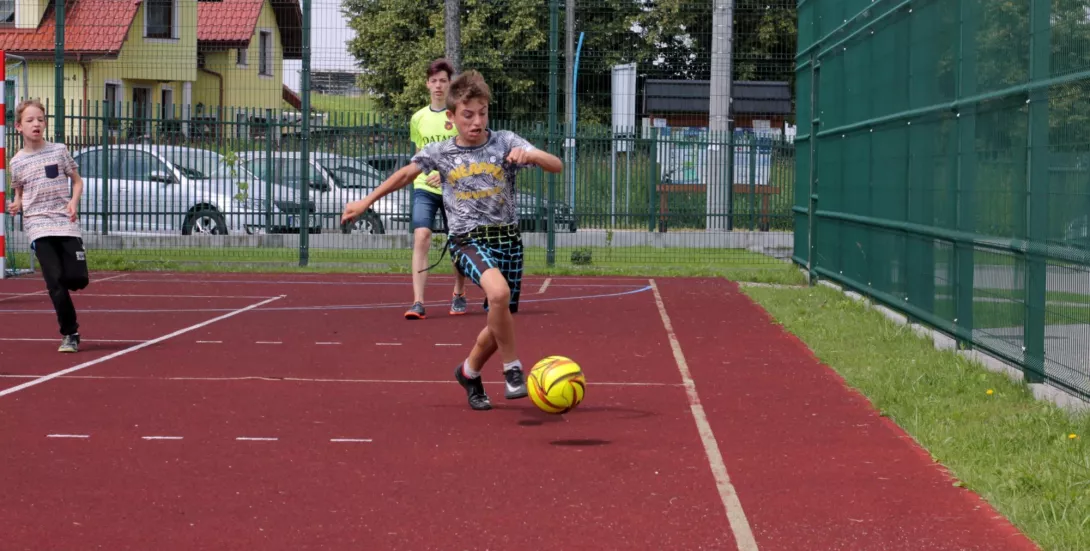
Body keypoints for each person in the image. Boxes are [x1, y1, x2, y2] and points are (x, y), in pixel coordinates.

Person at [341, 70, 563, 410]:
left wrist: (531, 155)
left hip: (508, 243)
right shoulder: (440, 152)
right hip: (467, 241)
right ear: (451, 116)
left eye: (482, 113)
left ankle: (469, 371)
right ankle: (513, 369)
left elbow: (556, 165)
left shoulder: (505, 142)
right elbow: (404, 174)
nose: (476, 122)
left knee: (497, 321)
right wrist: (365, 202)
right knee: (499, 295)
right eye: (467, 115)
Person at [5, 99, 89, 353]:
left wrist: (73, 203)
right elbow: (19, 187)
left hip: (64, 220)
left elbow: (77, 181)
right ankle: (70, 333)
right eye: (30, 120)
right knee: (54, 282)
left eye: (40, 119)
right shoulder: (17, 162)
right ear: (19, 127)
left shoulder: (58, 151)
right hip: (38, 223)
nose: (36, 124)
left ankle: (73, 280)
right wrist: (17, 202)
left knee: (76, 278)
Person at [403, 58, 467, 320]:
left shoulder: (458, 115)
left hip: (454, 187)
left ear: (449, 83)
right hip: (423, 187)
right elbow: (420, 154)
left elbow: (465, 154)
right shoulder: (418, 118)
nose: (438, 85)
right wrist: (424, 173)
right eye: (434, 81)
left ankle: (459, 293)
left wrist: (444, 176)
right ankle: (418, 302)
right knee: (421, 236)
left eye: (443, 80)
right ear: (427, 84)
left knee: (458, 242)